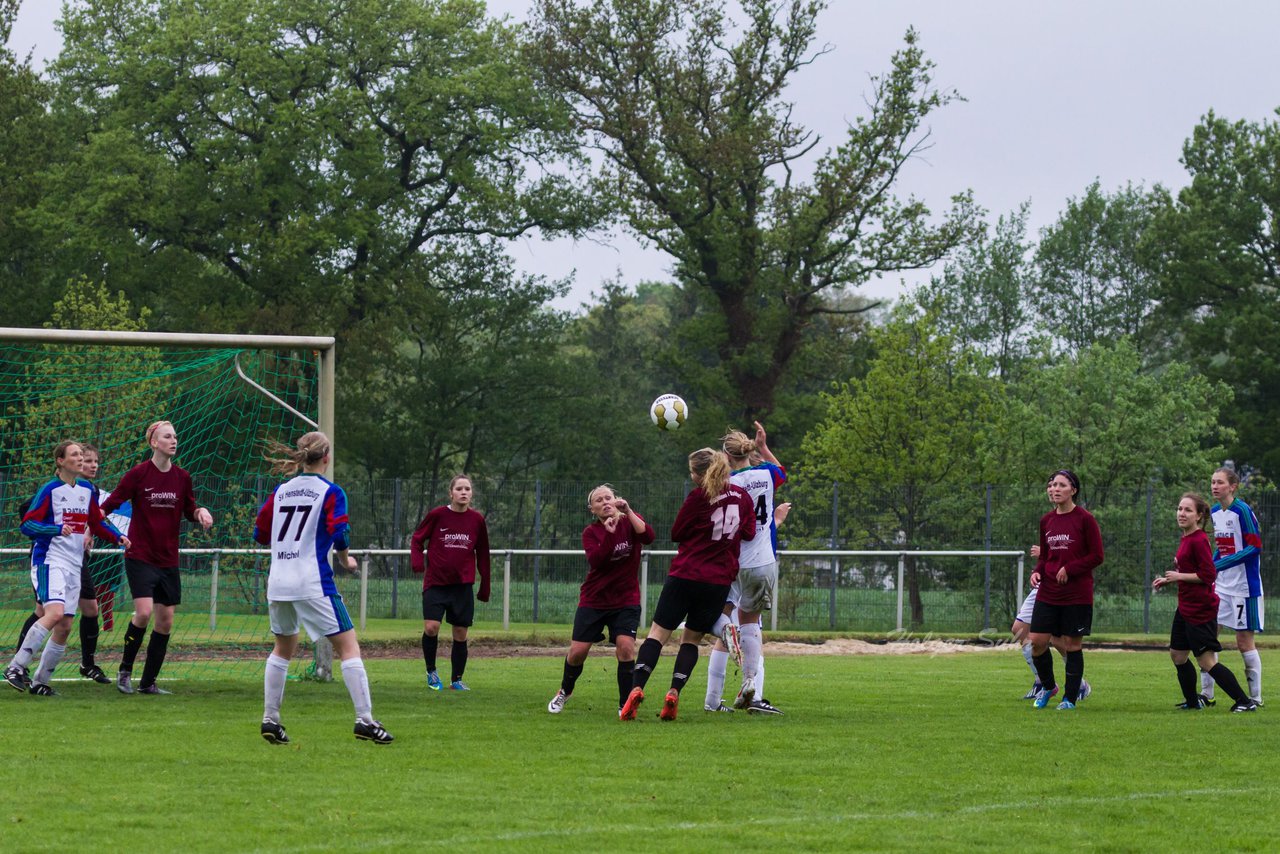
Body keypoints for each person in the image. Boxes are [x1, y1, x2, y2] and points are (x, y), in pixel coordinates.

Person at [253, 432, 393, 744]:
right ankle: (365, 720)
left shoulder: (281, 491)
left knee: (283, 648)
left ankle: (270, 719)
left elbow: (259, 534)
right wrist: (346, 560)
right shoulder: (330, 492)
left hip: (278, 583)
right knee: (348, 647)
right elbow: (340, 533)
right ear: (326, 458)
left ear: (302, 457)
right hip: (312, 581)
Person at [620, 448, 755, 722]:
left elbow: (676, 533)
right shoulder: (742, 497)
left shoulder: (698, 497)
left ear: (699, 474)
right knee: (691, 639)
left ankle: (636, 689)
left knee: (657, 634)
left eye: (692, 471)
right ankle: (673, 692)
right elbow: (749, 532)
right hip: (718, 581)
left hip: (686, 574)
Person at [4, 441, 129, 695]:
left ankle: (40, 682)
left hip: (74, 563)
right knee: (54, 613)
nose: (81, 459)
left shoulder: (85, 488)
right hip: (50, 560)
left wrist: (117, 537)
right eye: (75, 455)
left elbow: (96, 520)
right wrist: (55, 529)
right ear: (61, 461)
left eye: (82, 455)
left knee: (65, 626)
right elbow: (27, 525)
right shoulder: (50, 489)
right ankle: (16, 667)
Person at [100, 420, 213, 695]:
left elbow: (189, 509)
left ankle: (148, 682)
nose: (173, 440)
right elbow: (109, 504)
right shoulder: (138, 474)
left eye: (175, 436)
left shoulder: (182, 477)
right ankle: (125, 670)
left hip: (168, 560)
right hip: (140, 555)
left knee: (165, 622)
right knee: (144, 612)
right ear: (154, 442)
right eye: (167, 436)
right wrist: (93, 528)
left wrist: (200, 513)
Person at [547, 484, 654, 715]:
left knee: (626, 648)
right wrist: (608, 533)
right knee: (577, 653)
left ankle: (624, 704)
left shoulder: (630, 521)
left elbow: (648, 537)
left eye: (608, 497)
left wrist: (630, 512)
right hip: (594, 600)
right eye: (599, 500)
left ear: (616, 500)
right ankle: (565, 690)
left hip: (626, 598)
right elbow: (597, 561)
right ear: (592, 509)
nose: (605, 502)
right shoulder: (591, 533)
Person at [703, 423, 786, 715]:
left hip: (731, 562)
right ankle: (750, 683)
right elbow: (782, 472)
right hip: (762, 562)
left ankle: (712, 701)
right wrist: (763, 447)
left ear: (725, 455)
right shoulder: (766, 474)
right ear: (749, 450)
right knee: (751, 623)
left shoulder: (725, 485)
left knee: (724, 621)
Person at [1152, 492, 1257, 712]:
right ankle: (1193, 703)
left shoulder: (1199, 540)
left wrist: (1178, 576)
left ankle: (1245, 702)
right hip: (1185, 606)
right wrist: (1168, 579)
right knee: (1178, 655)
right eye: (1180, 508)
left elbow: (1208, 575)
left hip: (1200, 610)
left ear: (1199, 516)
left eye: (1188, 510)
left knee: (1207, 661)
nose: (1182, 513)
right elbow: (1191, 569)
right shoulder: (1187, 538)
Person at [1027, 469, 1103, 711]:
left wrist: (1070, 568)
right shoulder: (1046, 520)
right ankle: (1049, 686)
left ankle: (1069, 699)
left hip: (1076, 593)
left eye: (1060, 485)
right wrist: (1037, 570)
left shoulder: (1085, 519)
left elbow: (1097, 556)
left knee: (1072, 645)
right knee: (1036, 642)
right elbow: (1046, 556)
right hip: (1049, 590)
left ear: (1073, 490)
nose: (1054, 489)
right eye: (1051, 485)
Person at [410, 474, 491, 691]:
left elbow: (483, 553)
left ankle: (456, 679)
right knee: (431, 627)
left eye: (467, 489)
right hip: (436, 583)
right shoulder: (437, 515)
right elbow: (417, 538)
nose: (464, 492)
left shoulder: (477, 520)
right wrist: (418, 563)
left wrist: (485, 585)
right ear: (451, 493)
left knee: (460, 633)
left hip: (462, 586)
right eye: (459, 489)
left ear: (471, 493)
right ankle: (431, 672)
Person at [1202, 467, 1264, 705]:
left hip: (1244, 587)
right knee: (1208, 636)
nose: (1214, 486)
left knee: (1243, 641)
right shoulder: (1216, 512)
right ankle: (1207, 694)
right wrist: (1211, 564)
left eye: (1219, 482)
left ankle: (1255, 698)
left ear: (1233, 486)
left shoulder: (1243, 511)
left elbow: (1254, 547)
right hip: (1221, 587)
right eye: (1212, 482)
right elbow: (1223, 547)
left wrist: (1222, 563)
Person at [1012, 547, 1090, 703]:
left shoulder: (1073, 526)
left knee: (1057, 640)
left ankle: (1079, 684)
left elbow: (1074, 555)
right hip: (1042, 586)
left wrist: (1046, 554)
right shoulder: (1048, 524)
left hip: (1060, 586)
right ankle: (1041, 681)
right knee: (1019, 628)